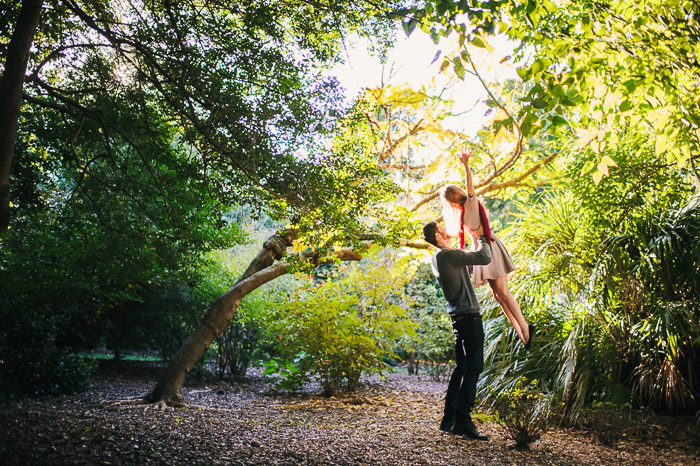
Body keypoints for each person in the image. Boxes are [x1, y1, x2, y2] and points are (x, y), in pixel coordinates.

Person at [441, 145, 534, 349]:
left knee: (503, 292)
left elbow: (470, 186)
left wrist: (466, 165)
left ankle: (527, 329)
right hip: (481, 252)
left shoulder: (470, 204)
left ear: (453, 199)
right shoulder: (463, 213)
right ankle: (522, 334)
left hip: (489, 248)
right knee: (498, 295)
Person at [422, 220, 491, 441]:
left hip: (458, 319)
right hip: (468, 318)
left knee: (462, 368)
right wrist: (482, 236)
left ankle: (450, 420)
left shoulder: (440, 257)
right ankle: (462, 421)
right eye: (442, 228)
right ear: (438, 236)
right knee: (474, 367)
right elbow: (483, 257)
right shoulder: (447, 255)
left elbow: (469, 264)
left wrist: (471, 240)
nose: (446, 229)